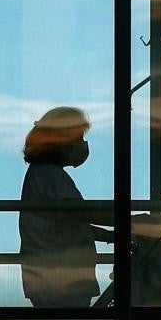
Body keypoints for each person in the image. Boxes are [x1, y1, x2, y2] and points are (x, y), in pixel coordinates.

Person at [19, 106, 100, 308]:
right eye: (79, 138)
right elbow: (79, 213)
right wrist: (128, 220)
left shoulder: (41, 174)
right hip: (61, 279)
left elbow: (66, 223)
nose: (82, 145)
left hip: (50, 278)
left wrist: (110, 235)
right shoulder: (51, 176)